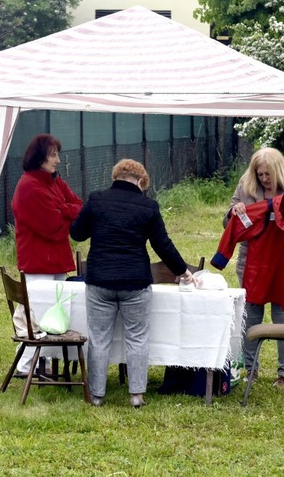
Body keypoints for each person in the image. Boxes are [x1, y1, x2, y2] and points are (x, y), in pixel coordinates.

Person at [70, 159, 198, 408]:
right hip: (135, 282)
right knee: (137, 338)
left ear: (115, 177)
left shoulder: (97, 199)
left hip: (100, 280)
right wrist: (183, 272)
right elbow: (163, 245)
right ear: (141, 181)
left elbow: (77, 233)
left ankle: (96, 395)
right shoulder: (148, 206)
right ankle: (137, 395)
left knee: (98, 339)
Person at [223, 147, 284, 387]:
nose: (264, 179)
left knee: (283, 318)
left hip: (283, 265)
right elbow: (227, 224)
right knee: (250, 319)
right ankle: (250, 371)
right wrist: (232, 212)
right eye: (260, 175)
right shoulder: (245, 186)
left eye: (268, 174)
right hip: (252, 266)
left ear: (278, 171)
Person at [11, 133, 82, 377]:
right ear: (40, 158)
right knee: (37, 315)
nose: (58, 161)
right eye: (53, 155)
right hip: (38, 262)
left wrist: (63, 209)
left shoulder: (53, 181)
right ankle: (26, 365)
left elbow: (79, 206)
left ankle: (43, 363)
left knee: (53, 314)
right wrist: (65, 213)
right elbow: (53, 228)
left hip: (55, 260)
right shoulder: (29, 187)